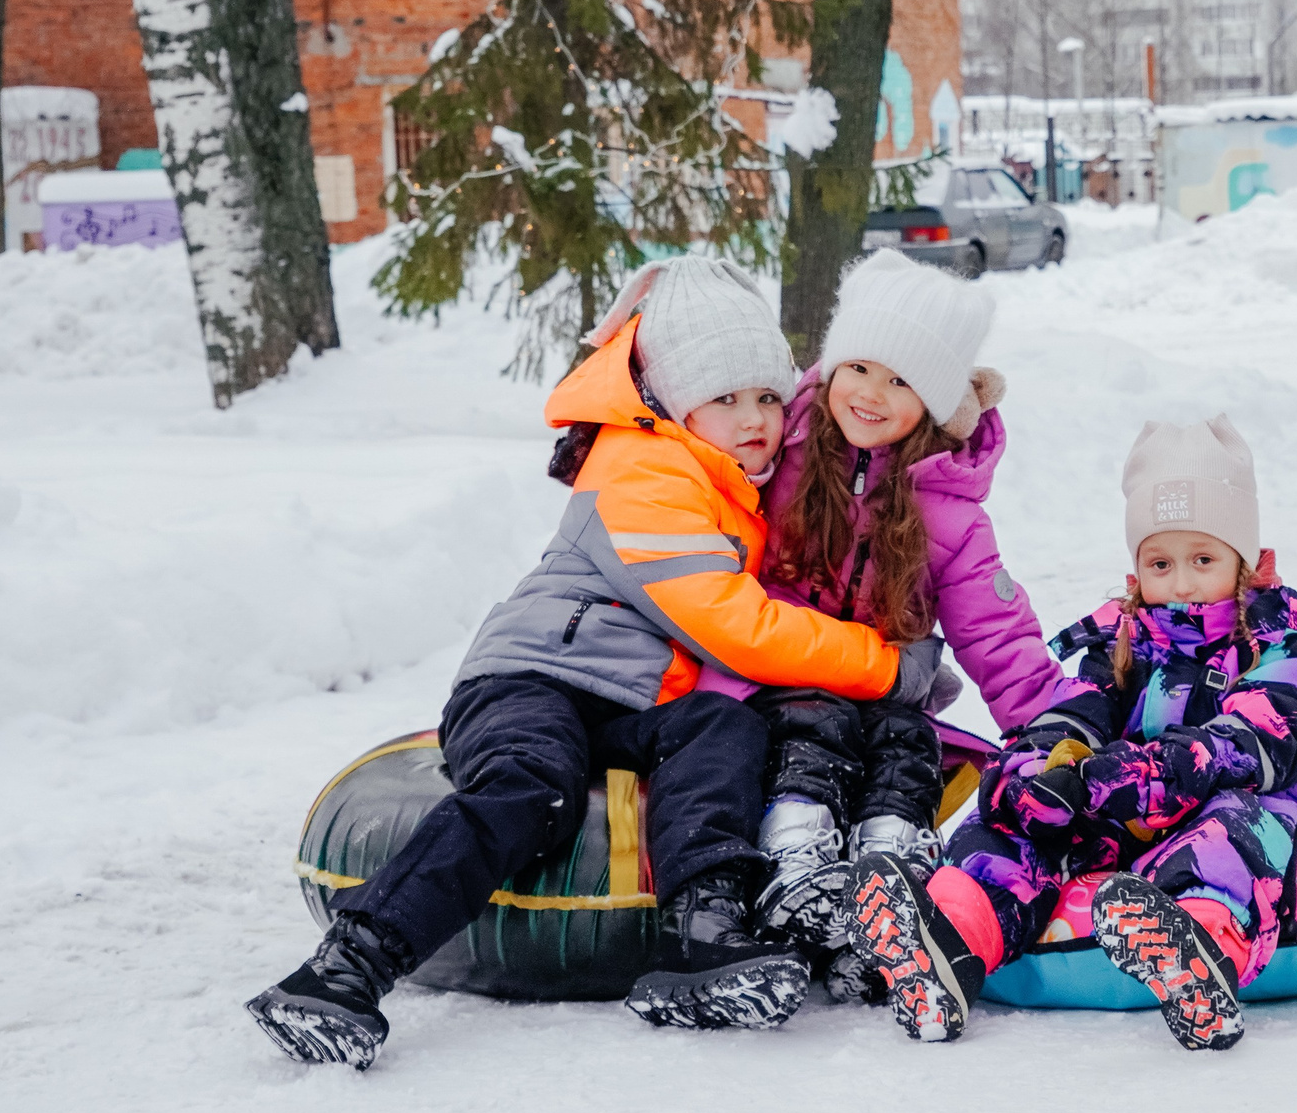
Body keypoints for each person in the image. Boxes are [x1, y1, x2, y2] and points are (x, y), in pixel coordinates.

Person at [245, 256, 941, 1066]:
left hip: (628, 698)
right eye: (724, 397)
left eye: (766, 396)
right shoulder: (641, 468)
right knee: (531, 786)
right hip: (533, 678)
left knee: (720, 727)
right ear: (673, 399)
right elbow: (737, 626)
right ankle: (349, 964)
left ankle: (704, 931)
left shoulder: (726, 481)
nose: (754, 418)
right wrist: (886, 666)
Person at [845, 415, 1297, 1051]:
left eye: (1203, 559)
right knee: (1011, 826)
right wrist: (1039, 772)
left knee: (1228, 833)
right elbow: (1074, 713)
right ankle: (951, 939)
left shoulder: (1283, 636)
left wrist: (1137, 774)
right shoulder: (1122, 638)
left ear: (1245, 560)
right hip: (1128, 808)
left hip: (1241, 800)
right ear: (1136, 569)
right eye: (1161, 562)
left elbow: (1255, 739)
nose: (1182, 582)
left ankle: (1198, 951)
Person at [731, 250, 1060, 987]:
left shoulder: (948, 509)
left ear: (935, 400)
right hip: (781, 673)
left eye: (901, 380)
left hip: (885, 684)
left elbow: (997, 634)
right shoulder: (779, 451)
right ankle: (796, 861)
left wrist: (1055, 728)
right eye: (859, 367)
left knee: (908, 741)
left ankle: (891, 875)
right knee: (813, 728)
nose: (872, 394)